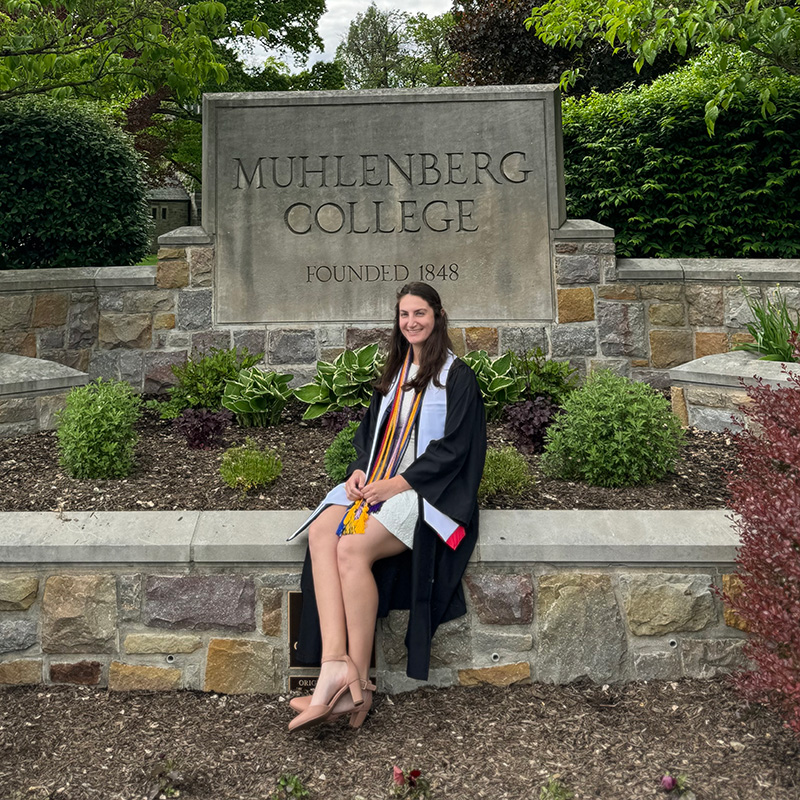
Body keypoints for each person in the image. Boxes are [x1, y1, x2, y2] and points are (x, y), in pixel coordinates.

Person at [285, 282, 486, 732]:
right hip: (377, 481)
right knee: (321, 532)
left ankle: (355, 681)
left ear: (437, 315)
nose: (411, 322)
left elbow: (455, 449)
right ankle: (334, 667)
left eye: (419, 313)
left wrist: (397, 484)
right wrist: (359, 471)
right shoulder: (394, 373)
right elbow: (368, 437)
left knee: (351, 549)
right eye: (403, 315)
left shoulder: (456, 376)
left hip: (424, 490)